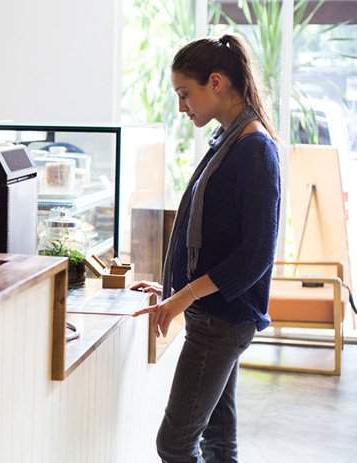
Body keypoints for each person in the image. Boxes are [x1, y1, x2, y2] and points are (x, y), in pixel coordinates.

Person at [131, 33, 281, 463]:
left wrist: (184, 295)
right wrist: (171, 285)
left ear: (215, 82)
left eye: (185, 94)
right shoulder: (229, 141)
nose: (182, 107)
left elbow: (254, 257)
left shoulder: (254, 149)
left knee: (175, 444)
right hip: (216, 316)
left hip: (223, 320)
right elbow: (215, 238)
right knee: (217, 441)